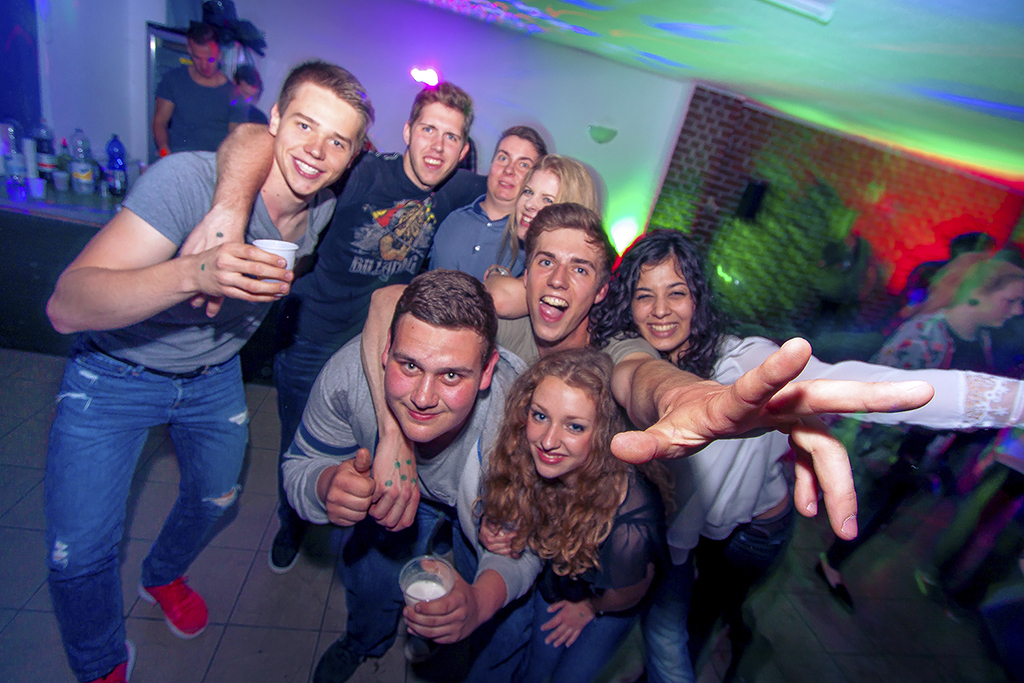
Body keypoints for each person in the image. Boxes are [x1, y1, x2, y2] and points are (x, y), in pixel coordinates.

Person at [44, 60, 373, 683]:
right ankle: (101, 664)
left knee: (216, 496)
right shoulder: (188, 183)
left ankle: (162, 574)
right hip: (115, 373)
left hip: (214, 374)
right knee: (79, 554)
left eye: (338, 141)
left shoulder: (322, 209)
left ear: (353, 156)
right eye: (304, 125)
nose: (316, 150)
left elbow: (258, 150)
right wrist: (195, 272)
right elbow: (66, 306)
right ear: (274, 118)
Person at [362, 204, 937, 550]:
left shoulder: (614, 346)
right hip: (468, 496)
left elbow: (642, 375)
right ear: (526, 271)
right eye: (545, 262)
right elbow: (389, 300)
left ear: (600, 291)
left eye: (580, 268)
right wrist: (393, 436)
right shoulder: (500, 319)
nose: (558, 281)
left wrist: (687, 397)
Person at [586, 229, 1024, 682]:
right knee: (686, 616)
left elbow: (856, 381)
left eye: (676, 292)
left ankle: (728, 643)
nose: (660, 310)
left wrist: (1012, 403)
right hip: (688, 530)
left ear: (698, 297)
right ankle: (733, 638)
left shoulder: (743, 359)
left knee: (699, 618)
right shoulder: (640, 356)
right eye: (645, 295)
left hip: (750, 535)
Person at [187, 80, 487, 572]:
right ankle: (291, 521)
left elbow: (518, 188)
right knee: (301, 442)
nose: (437, 146)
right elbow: (256, 138)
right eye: (428, 130)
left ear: (463, 149)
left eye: (451, 137)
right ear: (407, 131)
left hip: (381, 347)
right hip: (313, 336)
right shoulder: (362, 172)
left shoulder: (458, 189)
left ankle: (361, 531)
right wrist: (228, 210)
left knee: (374, 444)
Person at [281, 270, 541, 683]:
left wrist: (478, 603)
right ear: (385, 349)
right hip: (391, 492)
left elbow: (525, 544)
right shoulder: (349, 378)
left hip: (479, 505)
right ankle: (363, 642)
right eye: (409, 365)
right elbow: (301, 463)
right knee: (369, 582)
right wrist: (326, 485)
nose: (422, 397)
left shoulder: (521, 418)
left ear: (487, 370)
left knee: (503, 624)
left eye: (451, 375)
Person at [818, 251, 1024, 607]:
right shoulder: (927, 333)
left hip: (920, 454)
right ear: (979, 293)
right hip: (888, 448)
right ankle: (827, 561)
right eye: (1011, 300)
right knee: (862, 509)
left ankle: (832, 562)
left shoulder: (982, 342)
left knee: (879, 515)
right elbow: (878, 393)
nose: (1018, 311)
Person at [478, 348, 669, 683]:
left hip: (609, 599)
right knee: (537, 670)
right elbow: (510, 501)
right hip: (559, 581)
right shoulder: (525, 454)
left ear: (604, 433)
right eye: (540, 416)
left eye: (575, 426)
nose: (548, 440)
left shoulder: (631, 520)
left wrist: (589, 608)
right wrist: (495, 526)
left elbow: (631, 591)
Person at [429, 125, 547, 280]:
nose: (509, 170)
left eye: (523, 165)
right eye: (503, 158)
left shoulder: (531, 243)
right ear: (491, 164)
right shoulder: (450, 217)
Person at [485, 154, 601, 282]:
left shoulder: (561, 280)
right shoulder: (513, 254)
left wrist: (499, 283)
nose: (529, 204)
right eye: (528, 192)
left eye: (547, 200)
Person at [152, 22, 247, 155]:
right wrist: (164, 152)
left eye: (210, 59)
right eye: (197, 58)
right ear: (189, 50)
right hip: (178, 159)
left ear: (219, 54)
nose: (204, 65)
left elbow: (235, 141)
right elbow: (159, 122)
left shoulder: (234, 95)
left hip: (212, 163)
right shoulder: (173, 79)